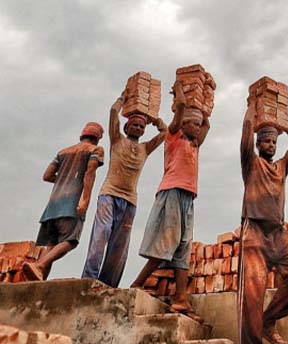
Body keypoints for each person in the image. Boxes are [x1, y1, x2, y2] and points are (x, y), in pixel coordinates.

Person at [130, 82, 209, 323]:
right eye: (191, 123)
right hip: (171, 191)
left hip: (188, 196)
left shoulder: (195, 144)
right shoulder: (173, 137)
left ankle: (180, 298)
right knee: (168, 242)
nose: (196, 127)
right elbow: (182, 107)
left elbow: (207, 123)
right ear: (182, 123)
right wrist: (180, 90)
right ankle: (137, 284)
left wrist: (204, 98)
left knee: (183, 246)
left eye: (197, 124)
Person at [237, 101, 288, 344]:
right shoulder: (250, 163)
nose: (271, 146)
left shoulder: (281, 167)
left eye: (274, 143)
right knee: (253, 293)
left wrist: (281, 120)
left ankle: (269, 320)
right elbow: (244, 136)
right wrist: (253, 110)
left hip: (277, 232)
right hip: (253, 231)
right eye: (266, 142)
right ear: (258, 144)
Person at [81, 93, 167, 287]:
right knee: (100, 234)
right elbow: (113, 112)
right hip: (109, 195)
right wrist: (123, 99)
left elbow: (165, 133)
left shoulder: (145, 148)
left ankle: (108, 284)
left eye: (141, 126)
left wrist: (155, 119)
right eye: (134, 125)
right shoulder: (117, 139)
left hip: (130, 201)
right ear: (127, 127)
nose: (137, 128)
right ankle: (88, 280)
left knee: (119, 246)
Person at [23, 123, 105, 281]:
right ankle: (38, 266)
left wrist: (62, 180)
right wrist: (85, 200)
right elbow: (90, 173)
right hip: (71, 204)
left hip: (52, 207)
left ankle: (38, 279)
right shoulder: (95, 150)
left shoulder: (62, 152)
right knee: (70, 241)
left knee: (51, 246)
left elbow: (47, 176)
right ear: (97, 138)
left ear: (82, 135)